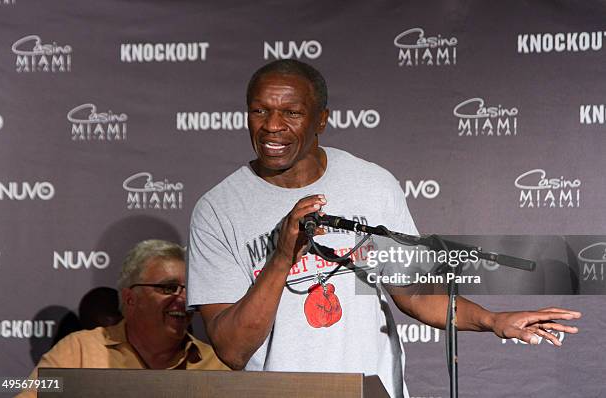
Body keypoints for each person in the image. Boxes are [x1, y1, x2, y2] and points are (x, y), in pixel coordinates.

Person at [186, 60, 580, 398]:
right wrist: (282, 257)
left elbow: (414, 296)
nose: (273, 126)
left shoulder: (369, 184)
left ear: (322, 118)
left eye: (292, 112)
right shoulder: (218, 210)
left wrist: (493, 321)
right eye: (259, 111)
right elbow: (233, 350)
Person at [18, 240, 228, 398]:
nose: (183, 300)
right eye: (168, 288)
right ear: (130, 299)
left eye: (188, 290)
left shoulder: (216, 365)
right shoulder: (80, 351)